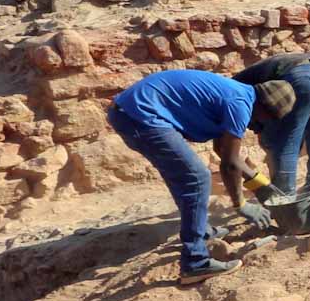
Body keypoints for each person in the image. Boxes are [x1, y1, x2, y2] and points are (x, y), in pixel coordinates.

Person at [108, 69, 296, 284]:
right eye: (268, 118)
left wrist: (259, 182)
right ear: (264, 107)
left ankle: (202, 232)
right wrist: (241, 205)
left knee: (184, 175)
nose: (261, 125)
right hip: (140, 115)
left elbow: (222, 150)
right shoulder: (240, 104)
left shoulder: (240, 94)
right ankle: (195, 262)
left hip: (130, 111)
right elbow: (229, 164)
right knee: (196, 177)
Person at [234, 51, 310, 226]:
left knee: (285, 142)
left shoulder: (235, 90)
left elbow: (255, 118)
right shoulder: (253, 79)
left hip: (305, 77)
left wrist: (265, 136)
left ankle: (284, 200)